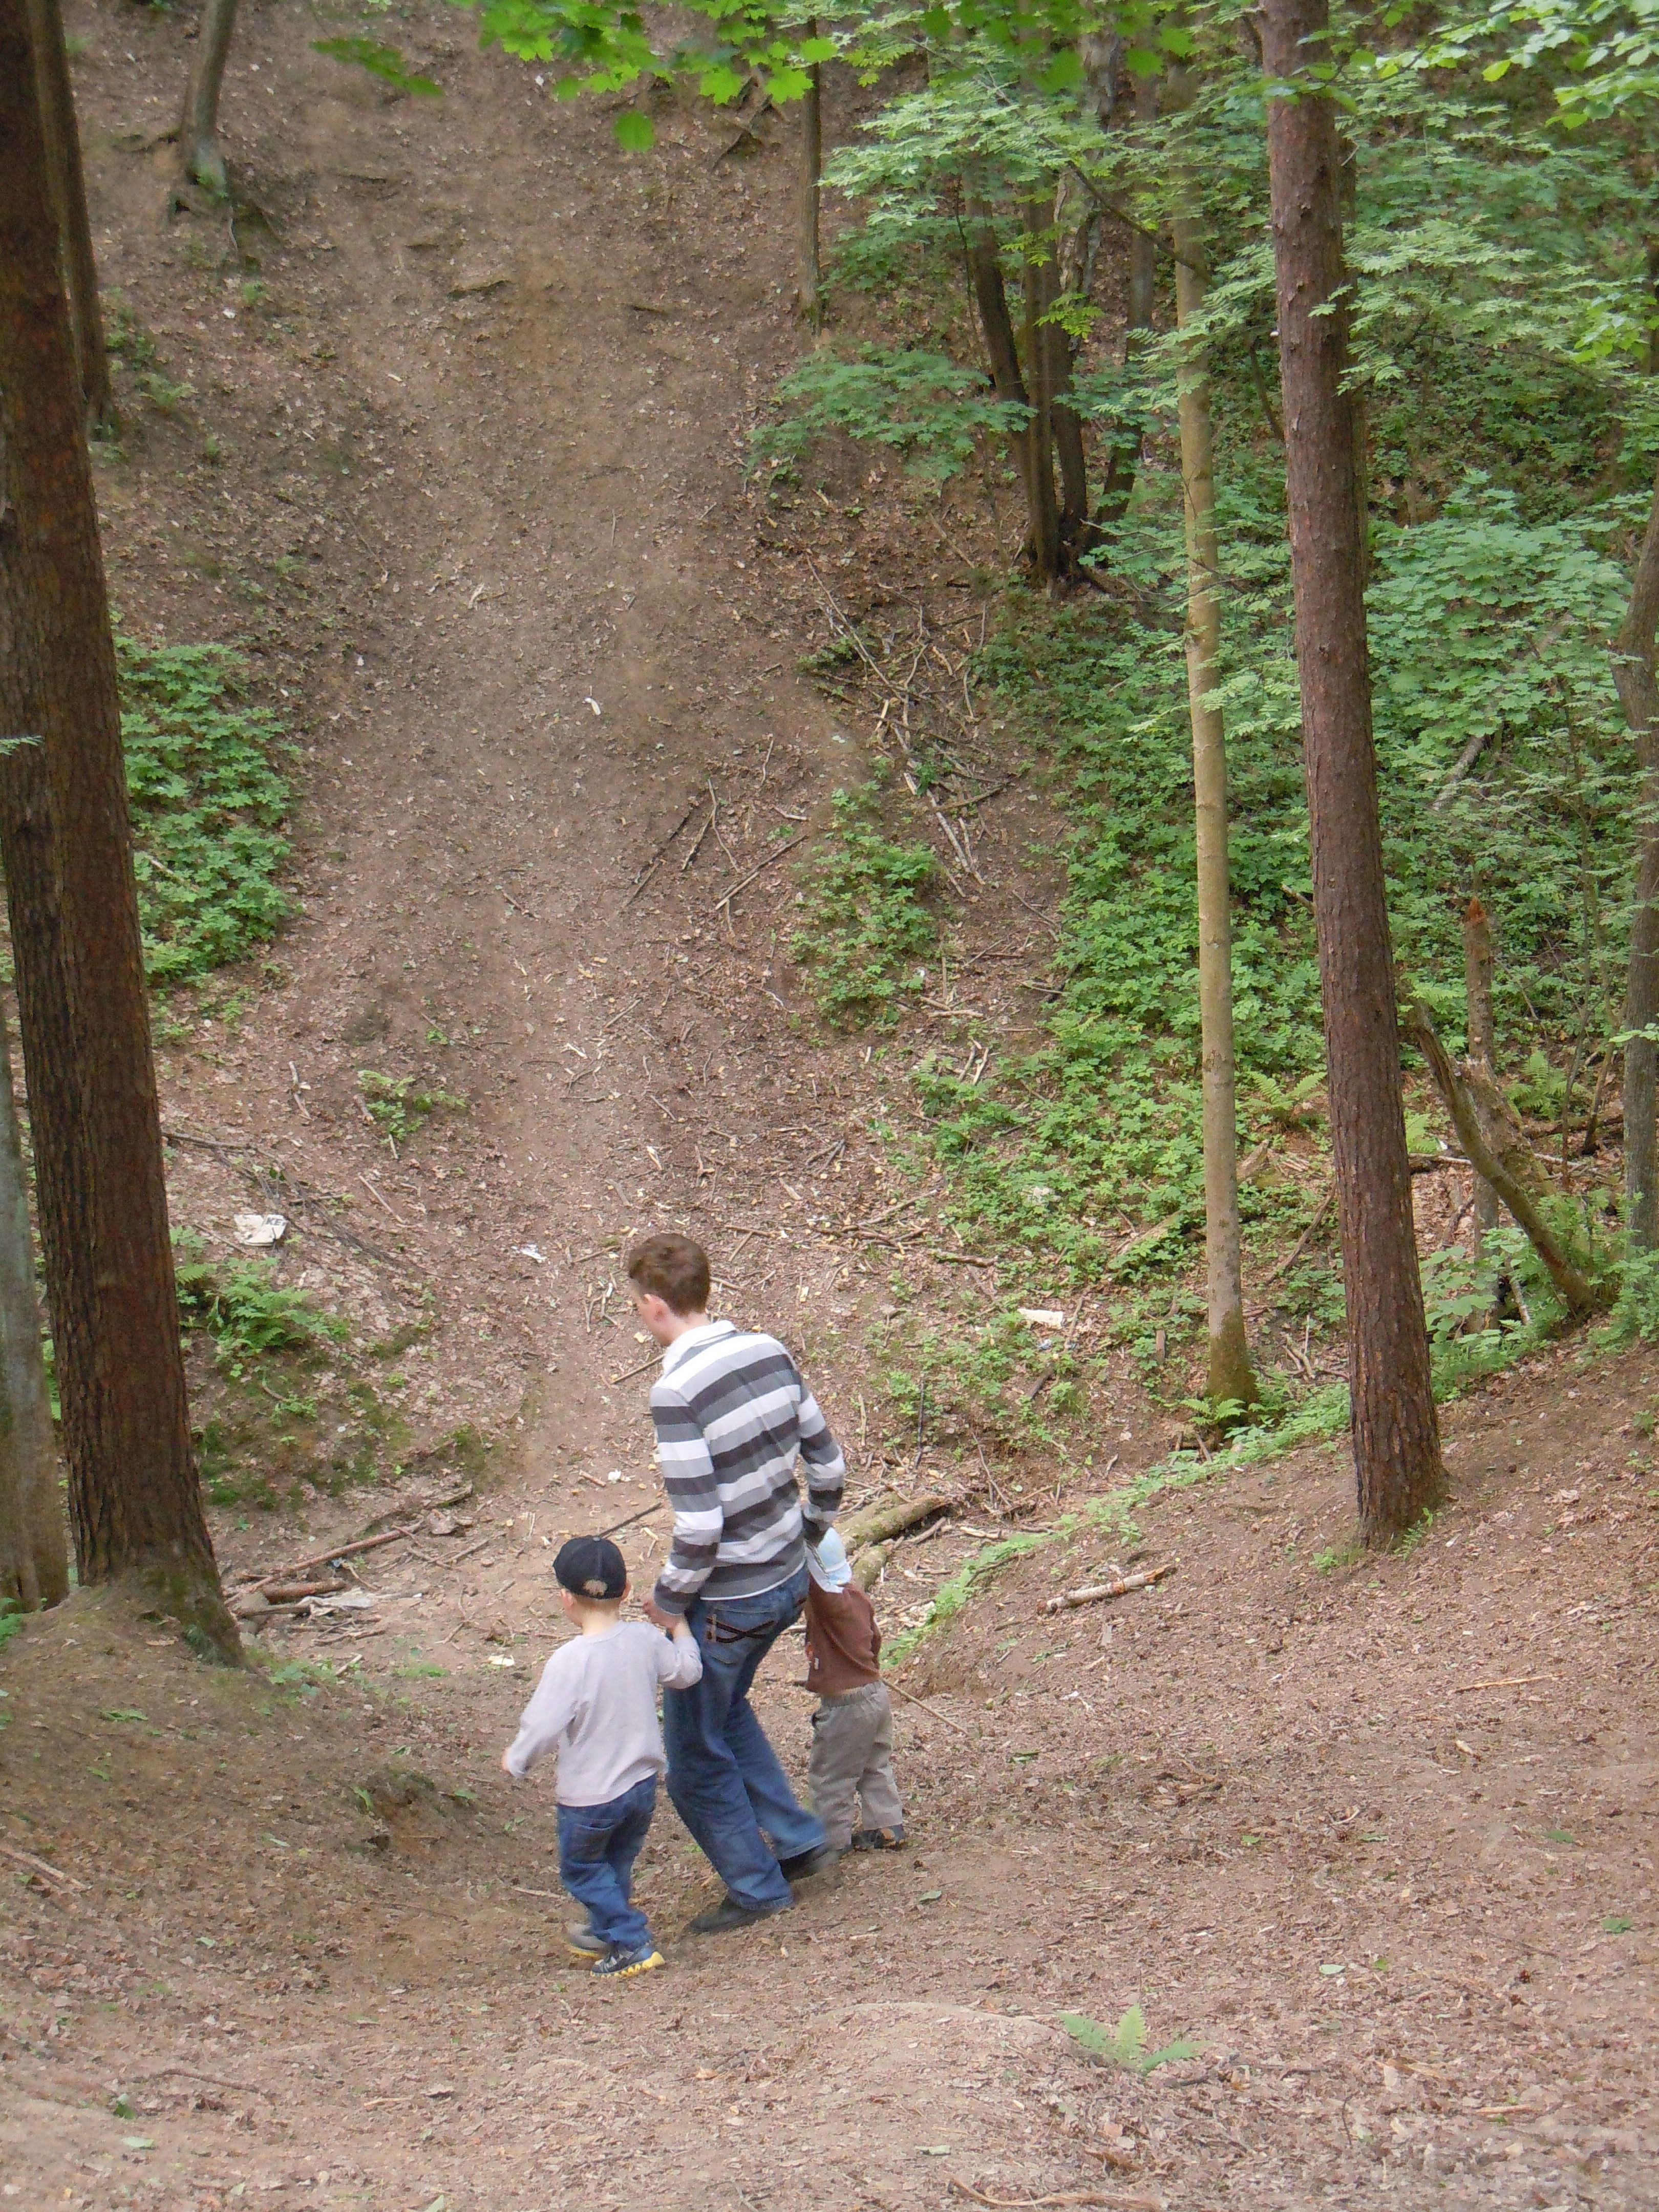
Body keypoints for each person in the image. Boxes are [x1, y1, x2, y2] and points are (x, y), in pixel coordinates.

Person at [628, 1230, 845, 1932]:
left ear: (654, 1305)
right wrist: (807, 1533)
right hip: (786, 1579)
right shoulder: (768, 1350)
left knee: (691, 1756)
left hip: (730, 1603)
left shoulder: (676, 1391)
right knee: (723, 1712)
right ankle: (797, 1838)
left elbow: (699, 1528)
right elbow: (829, 1467)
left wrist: (667, 1605)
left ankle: (757, 1889)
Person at [501, 1533, 703, 1978]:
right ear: (626, 1591)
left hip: (589, 1797)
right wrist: (680, 1628)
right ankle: (603, 1930)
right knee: (615, 1864)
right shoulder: (645, 1641)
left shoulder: (570, 1661)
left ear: (565, 1598)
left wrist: (517, 1760)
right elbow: (687, 1673)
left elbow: (543, 1725)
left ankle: (631, 1942)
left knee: (582, 1869)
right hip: (640, 1787)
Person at [803, 1529, 905, 1852]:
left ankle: (832, 1842)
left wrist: (801, 1548)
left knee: (832, 1776)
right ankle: (887, 1824)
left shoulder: (828, 1602)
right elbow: (876, 1639)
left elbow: (816, 1580)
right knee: (875, 1764)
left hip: (847, 1706)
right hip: (875, 1694)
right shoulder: (858, 1597)